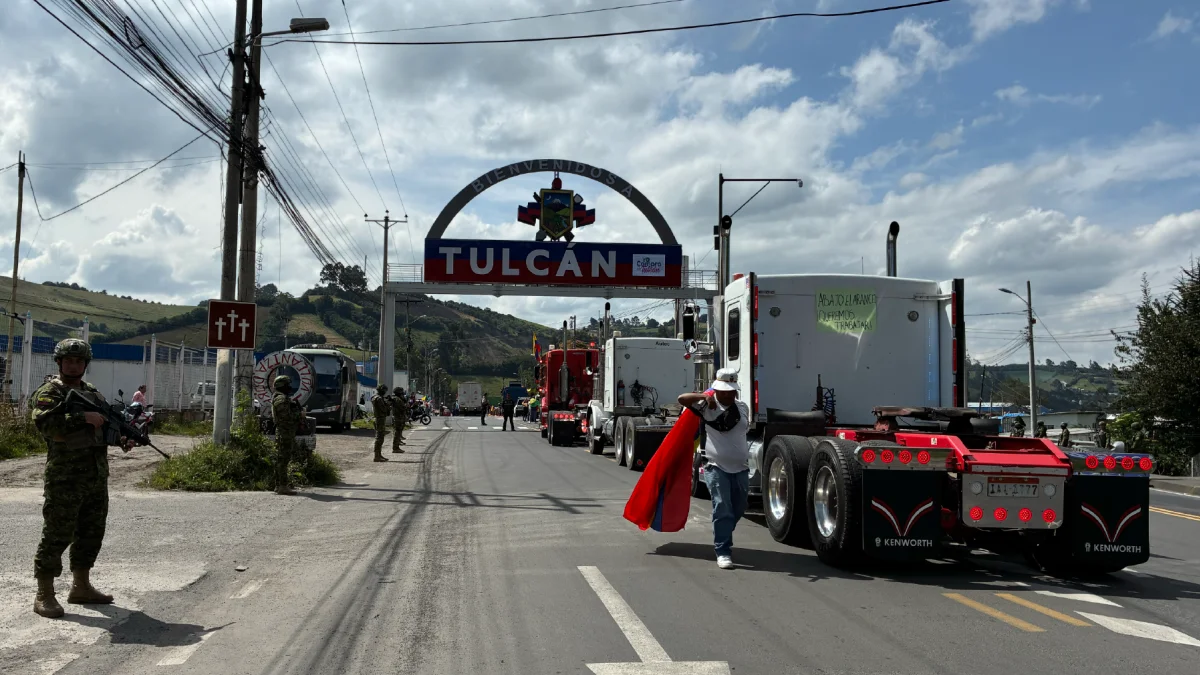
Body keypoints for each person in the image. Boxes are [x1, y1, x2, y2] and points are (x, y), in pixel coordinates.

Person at [30, 339, 135, 618]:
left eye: (78, 361)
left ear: (85, 364)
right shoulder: (50, 392)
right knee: (57, 534)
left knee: (91, 532)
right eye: (68, 361)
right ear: (59, 363)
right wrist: (82, 417)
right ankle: (44, 593)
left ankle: (81, 585)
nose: (73, 365)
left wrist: (121, 439)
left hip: (95, 476)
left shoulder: (93, 394)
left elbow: (102, 429)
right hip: (65, 477)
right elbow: (45, 423)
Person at [677, 368, 749, 570]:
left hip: (741, 467)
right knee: (722, 507)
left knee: (739, 507)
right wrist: (704, 396)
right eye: (723, 390)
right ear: (716, 390)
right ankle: (723, 550)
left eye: (731, 391)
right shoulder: (705, 406)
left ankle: (723, 531)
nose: (728, 394)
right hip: (716, 466)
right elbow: (682, 398)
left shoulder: (742, 407)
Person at [271, 376, 303, 496]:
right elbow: (286, 416)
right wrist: (300, 414)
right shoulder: (281, 399)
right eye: (287, 384)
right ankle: (282, 486)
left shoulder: (282, 398)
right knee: (283, 460)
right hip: (284, 432)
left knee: (282, 459)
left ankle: (279, 485)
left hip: (285, 432)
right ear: (282, 385)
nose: (289, 387)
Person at [371, 384, 390, 462]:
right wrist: (388, 404)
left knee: (380, 437)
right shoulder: (378, 399)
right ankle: (377, 456)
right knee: (379, 438)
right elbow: (384, 409)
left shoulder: (377, 398)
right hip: (380, 419)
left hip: (379, 419)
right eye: (384, 390)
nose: (385, 392)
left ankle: (379, 454)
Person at [391, 388, 408, 452]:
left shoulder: (395, 398)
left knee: (397, 432)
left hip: (397, 417)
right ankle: (395, 448)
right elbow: (403, 408)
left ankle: (396, 447)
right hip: (398, 417)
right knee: (397, 433)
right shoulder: (398, 399)